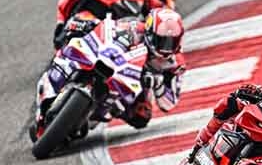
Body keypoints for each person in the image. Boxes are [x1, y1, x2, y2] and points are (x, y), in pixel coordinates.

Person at [34, 8, 186, 139]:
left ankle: (98, 114)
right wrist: (90, 25)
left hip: (136, 86)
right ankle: (53, 86)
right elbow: (109, 27)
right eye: (162, 41)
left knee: (142, 117)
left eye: (170, 43)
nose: (165, 48)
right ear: (150, 31)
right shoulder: (134, 27)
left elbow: (169, 103)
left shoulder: (175, 63)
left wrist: (158, 83)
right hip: (113, 63)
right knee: (73, 40)